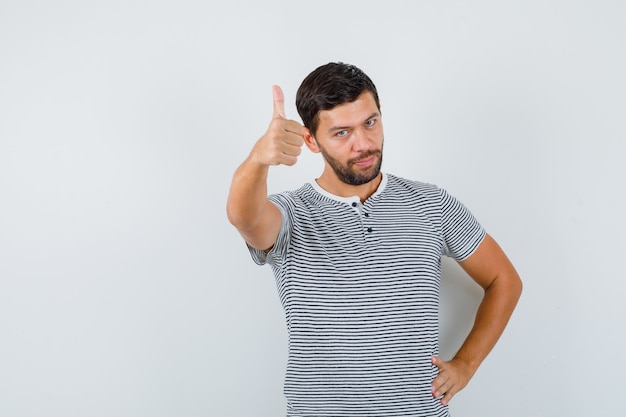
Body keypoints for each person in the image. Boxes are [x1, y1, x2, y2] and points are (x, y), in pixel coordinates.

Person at [226, 62, 522, 417]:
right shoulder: (290, 214)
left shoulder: (432, 204)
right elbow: (244, 217)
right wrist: (258, 160)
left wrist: (466, 365)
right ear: (311, 140)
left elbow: (504, 280)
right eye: (341, 133)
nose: (363, 144)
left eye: (370, 122)